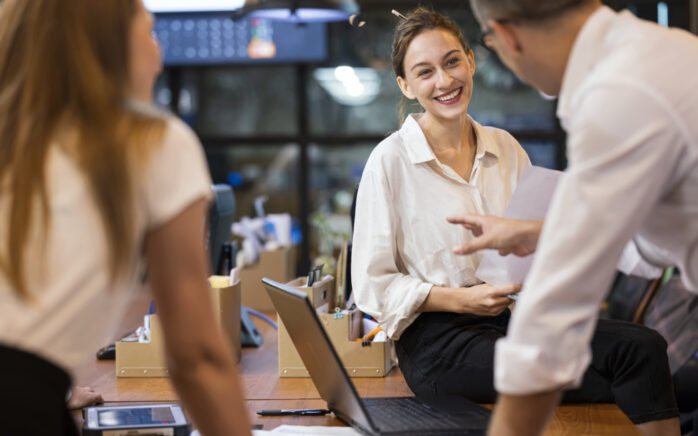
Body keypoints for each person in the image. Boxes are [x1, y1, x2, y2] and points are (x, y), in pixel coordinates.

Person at [351, 8, 679, 436]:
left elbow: (539, 242)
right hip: (440, 342)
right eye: (425, 72)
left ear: (471, 60)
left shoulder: (504, 147)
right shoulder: (389, 162)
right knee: (630, 372)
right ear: (406, 86)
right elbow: (372, 286)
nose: (445, 81)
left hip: (513, 318)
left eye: (452, 62)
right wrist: (459, 300)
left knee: (642, 347)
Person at [446, 0, 698, 434]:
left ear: (507, 38)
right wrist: (542, 233)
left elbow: (555, 318)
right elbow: (658, 235)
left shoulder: (618, 96)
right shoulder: (665, 50)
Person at [0, 1, 251, 435]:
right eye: (149, 33)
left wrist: (57, 379)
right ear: (104, 47)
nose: (158, 57)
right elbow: (196, 357)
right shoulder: (151, 142)